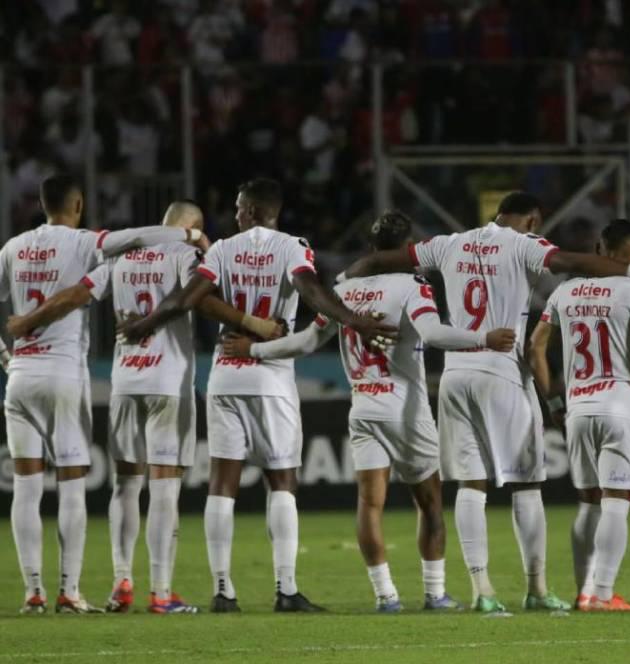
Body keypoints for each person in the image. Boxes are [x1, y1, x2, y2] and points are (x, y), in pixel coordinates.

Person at [342, 191, 630, 614]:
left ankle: (483, 591)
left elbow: (391, 259)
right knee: (527, 484)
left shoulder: (449, 243)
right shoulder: (525, 244)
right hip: (501, 368)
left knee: (470, 487)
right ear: (532, 221)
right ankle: (536, 589)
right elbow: (571, 263)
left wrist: (354, 271)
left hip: (456, 375)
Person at [121, 178, 397, 614]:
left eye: (236, 206)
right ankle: (286, 589)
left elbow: (188, 298)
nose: (233, 214)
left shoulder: (222, 250)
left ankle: (223, 591)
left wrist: (145, 324)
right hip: (271, 378)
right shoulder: (292, 247)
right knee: (282, 481)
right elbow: (310, 291)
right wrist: (354, 321)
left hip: (226, 375)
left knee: (222, 485)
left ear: (250, 210)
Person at [221, 211, 515, 613]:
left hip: (362, 407)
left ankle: (386, 596)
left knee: (369, 504)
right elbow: (432, 334)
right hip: (405, 410)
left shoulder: (345, 290)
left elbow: (307, 341)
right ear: (407, 247)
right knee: (429, 502)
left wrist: (253, 349)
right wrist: (483, 337)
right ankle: (434, 593)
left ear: (372, 246)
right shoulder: (412, 285)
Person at [0, 174, 209, 614]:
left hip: (81, 379)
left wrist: (9, 347)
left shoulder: (18, 248)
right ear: (76, 205)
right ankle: (134, 591)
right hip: (138, 380)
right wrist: (195, 240)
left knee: (69, 485)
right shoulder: (91, 243)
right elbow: (196, 295)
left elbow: (85, 291)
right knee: (133, 487)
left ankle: (86, 586)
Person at [528, 218, 630, 612]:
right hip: (619, 401)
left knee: (588, 503)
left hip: (578, 407)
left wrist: (554, 403)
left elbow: (534, 347)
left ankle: (584, 592)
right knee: (615, 501)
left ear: (598, 250)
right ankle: (604, 594)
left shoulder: (565, 291)